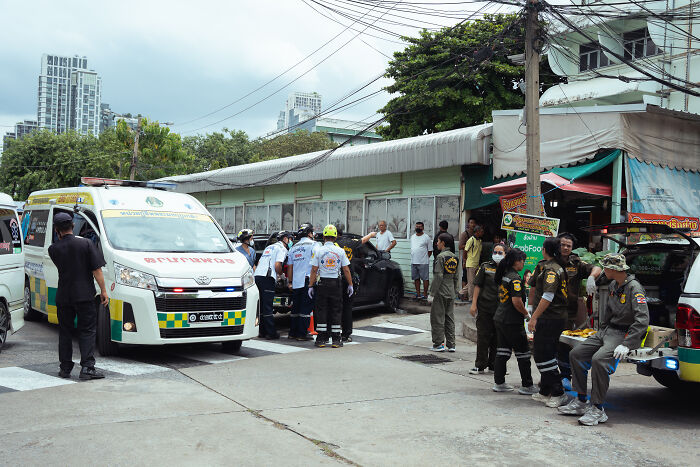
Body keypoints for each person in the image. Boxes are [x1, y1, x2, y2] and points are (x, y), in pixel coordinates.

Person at [558, 253, 650, 426]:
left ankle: (598, 408)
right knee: (577, 354)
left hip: (623, 334)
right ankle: (581, 400)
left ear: (613, 269)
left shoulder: (634, 288)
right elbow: (609, 312)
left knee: (599, 360)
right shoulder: (615, 284)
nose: (603, 271)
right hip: (607, 331)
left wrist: (627, 343)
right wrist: (600, 331)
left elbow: (642, 320)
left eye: (605, 267)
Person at [48, 212, 108, 380]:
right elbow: (97, 270)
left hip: (63, 297)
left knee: (65, 332)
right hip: (84, 295)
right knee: (87, 330)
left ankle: (65, 368)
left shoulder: (53, 249)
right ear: (73, 226)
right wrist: (103, 291)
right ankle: (87, 368)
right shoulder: (87, 244)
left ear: (56, 230)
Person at [527, 237, 571, 408]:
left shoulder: (552, 270)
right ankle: (545, 390)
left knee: (543, 354)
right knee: (544, 353)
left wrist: (534, 317)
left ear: (545, 249)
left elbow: (548, 296)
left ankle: (558, 392)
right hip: (549, 317)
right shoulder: (546, 266)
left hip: (551, 317)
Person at [555, 232, 602, 382]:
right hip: (549, 310)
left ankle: (565, 376)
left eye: (568, 246)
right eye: (563, 244)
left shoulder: (576, 263)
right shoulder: (550, 261)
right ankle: (550, 376)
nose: (565, 248)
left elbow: (596, 268)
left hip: (568, 312)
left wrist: (591, 277)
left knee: (564, 344)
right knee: (549, 344)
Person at [492, 248, 538, 395]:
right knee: (523, 353)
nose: (523, 263)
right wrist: (527, 315)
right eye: (521, 260)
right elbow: (517, 301)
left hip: (500, 319)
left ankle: (499, 383)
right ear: (514, 261)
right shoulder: (515, 278)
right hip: (511, 321)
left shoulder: (504, 275)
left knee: (503, 351)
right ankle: (527, 385)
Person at [309, 225, 353, 348]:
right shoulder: (340, 251)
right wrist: (350, 284)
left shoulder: (319, 251)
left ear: (323, 237)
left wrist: (310, 286)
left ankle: (321, 338)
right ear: (335, 237)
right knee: (336, 310)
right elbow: (346, 269)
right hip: (336, 283)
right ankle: (336, 339)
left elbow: (313, 269)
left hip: (322, 283)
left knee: (322, 309)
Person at [469, 243, 505, 374]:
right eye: (495, 252)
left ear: (505, 255)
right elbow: (477, 286)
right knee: (483, 337)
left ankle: (494, 365)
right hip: (485, 308)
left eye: (500, 253)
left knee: (498, 338)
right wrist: (473, 304)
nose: (497, 255)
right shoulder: (485, 267)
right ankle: (480, 364)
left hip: (501, 310)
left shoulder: (507, 269)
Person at [335, 230, 375, 342]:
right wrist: (371, 235)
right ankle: (346, 334)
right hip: (348, 279)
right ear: (341, 234)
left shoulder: (331, 244)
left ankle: (333, 333)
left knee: (335, 308)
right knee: (347, 308)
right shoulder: (349, 242)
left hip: (334, 279)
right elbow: (363, 240)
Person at [254, 230, 293, 340]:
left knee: (261, 306)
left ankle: (262, 331)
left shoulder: (269, 247)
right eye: (290, 239)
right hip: (267, 278)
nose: (291, 241)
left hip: (258, 277)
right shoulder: (282, 249)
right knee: (267, 306)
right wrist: (282, 275)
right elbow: (277, 265)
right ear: (285, 239)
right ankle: (271, 333)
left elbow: (260, 263)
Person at [286, 224, 319, 340]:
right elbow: (317, 263)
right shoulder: (314, 245)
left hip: (296, 281)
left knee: (296, 308)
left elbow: (290, 267)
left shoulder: (293, 248)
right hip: (308, 280)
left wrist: (290, 282)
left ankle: (292, 333)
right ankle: (301, 334)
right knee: (306, 308)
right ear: (309, 233)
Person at [428, 233, 459, 352]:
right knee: (449, 317)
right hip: (451, 290)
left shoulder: (441, 257)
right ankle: (451, 345)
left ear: (443, 243)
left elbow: (438, 277)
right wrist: (455, 291)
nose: (436, 243)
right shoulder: (454, 257)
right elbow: (456, 277)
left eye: (438, 241)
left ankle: (438, 344)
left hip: (440, 290)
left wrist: (432, 293)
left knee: (437, 317)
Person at [410, 221, 433, 299]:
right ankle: (418, 294)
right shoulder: (412, 237)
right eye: (417, 226)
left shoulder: (426, 237)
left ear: (423, 228)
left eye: (420, 227)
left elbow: (430, 250)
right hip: (414, 261)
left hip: (423, 262)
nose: (418, 228)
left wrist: (425, 258)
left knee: (425, 279)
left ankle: (425, 294)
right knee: (416, 279)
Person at [463, 225, 484, 301]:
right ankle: (470, 298)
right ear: (477, 232)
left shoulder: (480, 241)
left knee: (473, 281)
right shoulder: (471, 240)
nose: (482, 233)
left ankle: (461, 292)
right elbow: (465, 251)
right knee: (472, 282)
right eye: (481, 231)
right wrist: (464, 261)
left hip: (476, 264)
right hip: (471, 263)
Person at [459, 217, 477, 288]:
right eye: (471, 223)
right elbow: (460, 247)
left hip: (474, 259)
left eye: (474, 223)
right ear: (468, 224)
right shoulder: (465, 234)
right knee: (465, 277)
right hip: (466, 259)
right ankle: (463, 295)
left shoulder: (476, 234)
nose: (473, 224)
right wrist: (469, 245)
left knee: (472, 278)